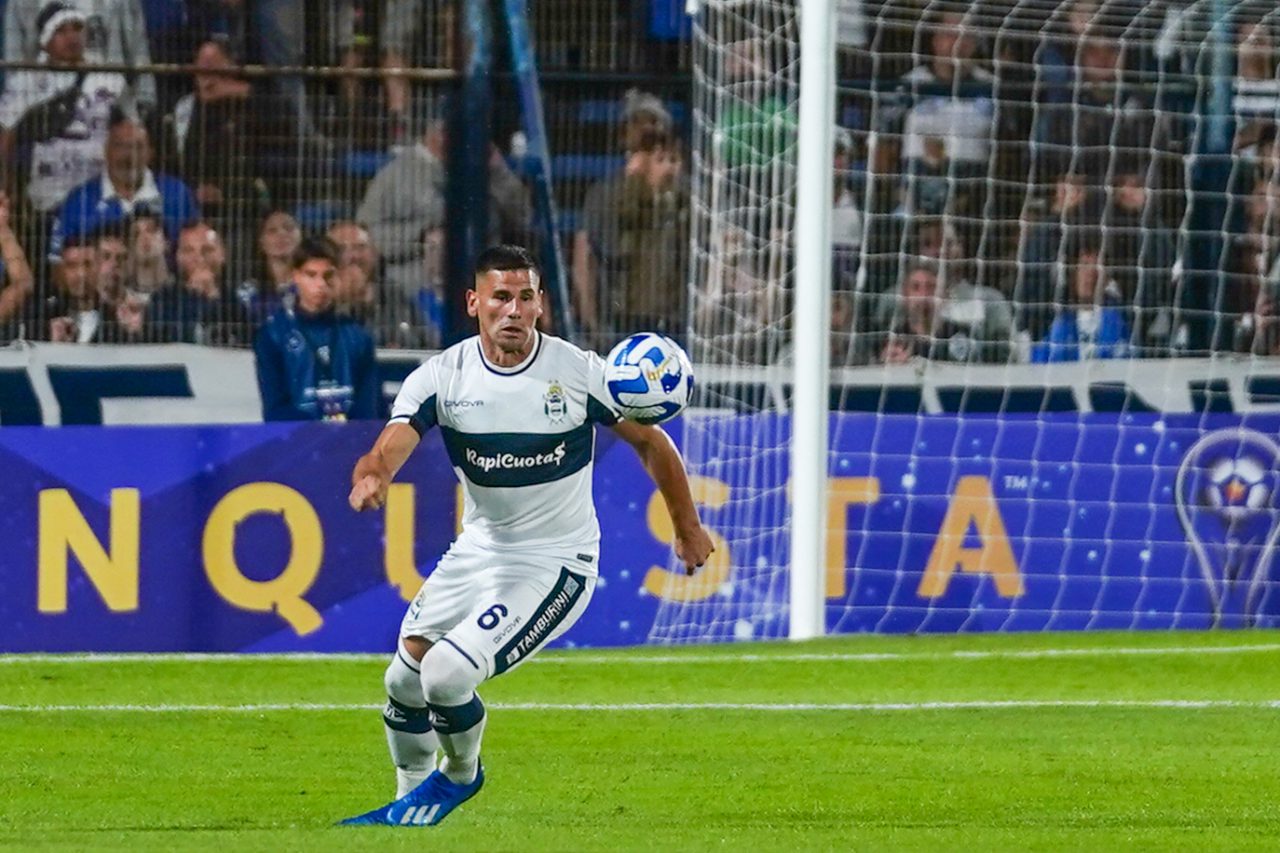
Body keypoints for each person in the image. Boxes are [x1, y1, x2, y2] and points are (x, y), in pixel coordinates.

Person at [340, 244, 714, 827]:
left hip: (556, 563)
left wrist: (687, 527)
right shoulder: (441, 378)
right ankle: (406, 806)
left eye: (525, 297)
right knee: (403, 680)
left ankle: (460, 775)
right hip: (479, 550)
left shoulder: (580, 373)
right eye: (500, 297)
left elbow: (652, 442)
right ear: (474, 303)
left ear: (541, 304)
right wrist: (373, 477)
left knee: (445, 674)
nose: (513, 310)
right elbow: (387, 448)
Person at [252, 235, 378, 421]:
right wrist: (319, 429)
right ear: (295, 276)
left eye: (328, 276)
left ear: (339, 276)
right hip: (296, 437)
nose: (321, 284)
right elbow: (275, 409)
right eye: (311, 275)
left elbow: (369, 407)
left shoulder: (359, 337)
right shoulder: (273, 335)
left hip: (351, 436)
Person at [49, 114, 199, 261]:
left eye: (137, 147)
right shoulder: (78, 201)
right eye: (120, 146)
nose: (129, 156)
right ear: (106, 151)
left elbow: (198, 249)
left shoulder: (177, 194)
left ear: (150, 153)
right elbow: (57, 261)